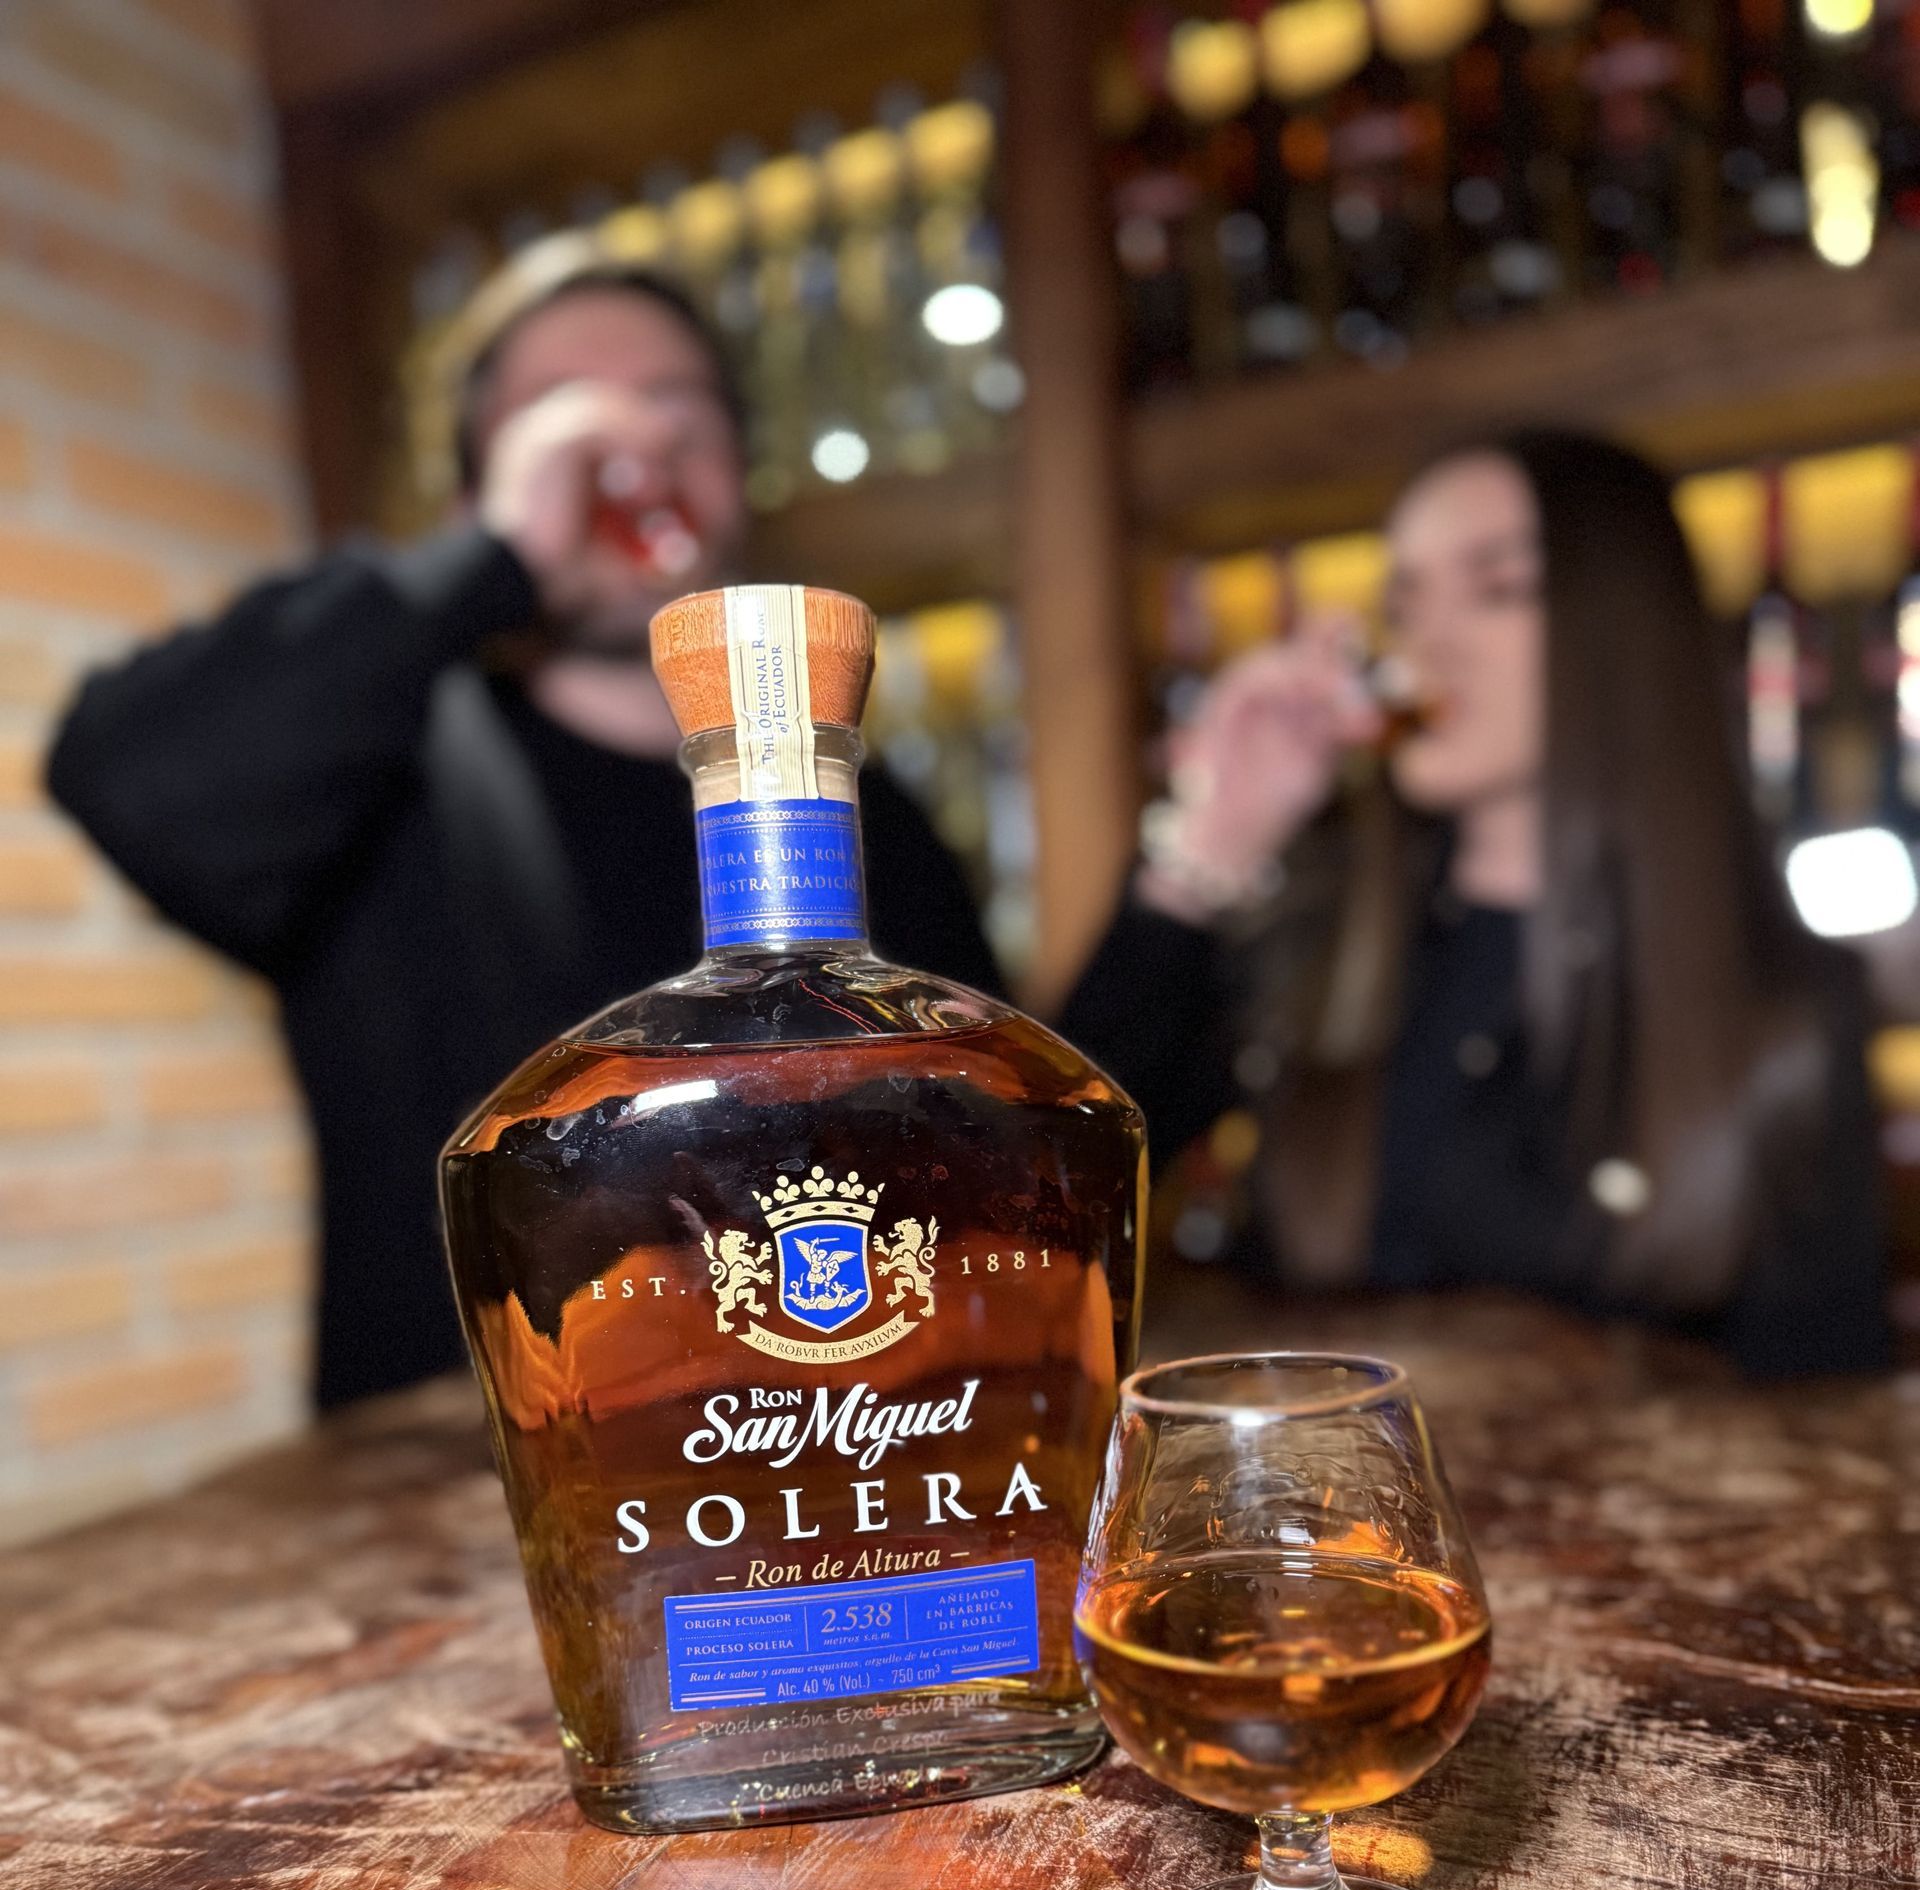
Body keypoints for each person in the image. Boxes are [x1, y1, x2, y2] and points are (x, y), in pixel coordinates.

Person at [46, 233, 1001, 1409]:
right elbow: (131, 777)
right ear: (476, 496)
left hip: (835, 1472)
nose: (633, 454)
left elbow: (1016, 1148)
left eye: (679, 417)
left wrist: (1199, 862)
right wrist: (498, 556)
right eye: (567, 418)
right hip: (461, 1504)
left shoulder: (856, 808)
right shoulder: (388, 776)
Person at [1063, 428, 1888, 1376]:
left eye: (1499, 589)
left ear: (1629, 630)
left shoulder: (1782, 1004)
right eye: (1403, 601)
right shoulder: (1312, 947)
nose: (1427, 642)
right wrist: (1212, 844)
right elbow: (1038, 1203)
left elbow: (1821, 1419)